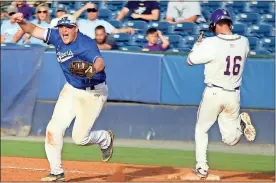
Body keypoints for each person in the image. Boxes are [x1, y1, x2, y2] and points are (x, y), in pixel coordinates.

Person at [12, 13, 114, 181]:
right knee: (53, 130)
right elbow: (33, 29)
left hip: (93, 93)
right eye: (62, 27)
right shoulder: (56, 36)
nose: (64, 30)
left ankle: (105, 138)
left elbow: (99, 62)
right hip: (72, 89)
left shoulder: (85, 43)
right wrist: (22, 22)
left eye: (69, 27)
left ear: (76, 29)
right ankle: (56, 172)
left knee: (80, 138)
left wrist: (92, 70)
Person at [186, 9, 256, 179]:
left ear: (214, 25)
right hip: (234, 95)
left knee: (201, 129)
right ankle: (241, 122)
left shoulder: (210, 42)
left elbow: (190, 60)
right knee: (231, 139)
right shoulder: (244, 42)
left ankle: (202, 168)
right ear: (230, 24)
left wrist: (197, 45)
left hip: (214, 92)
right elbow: (237, 51)